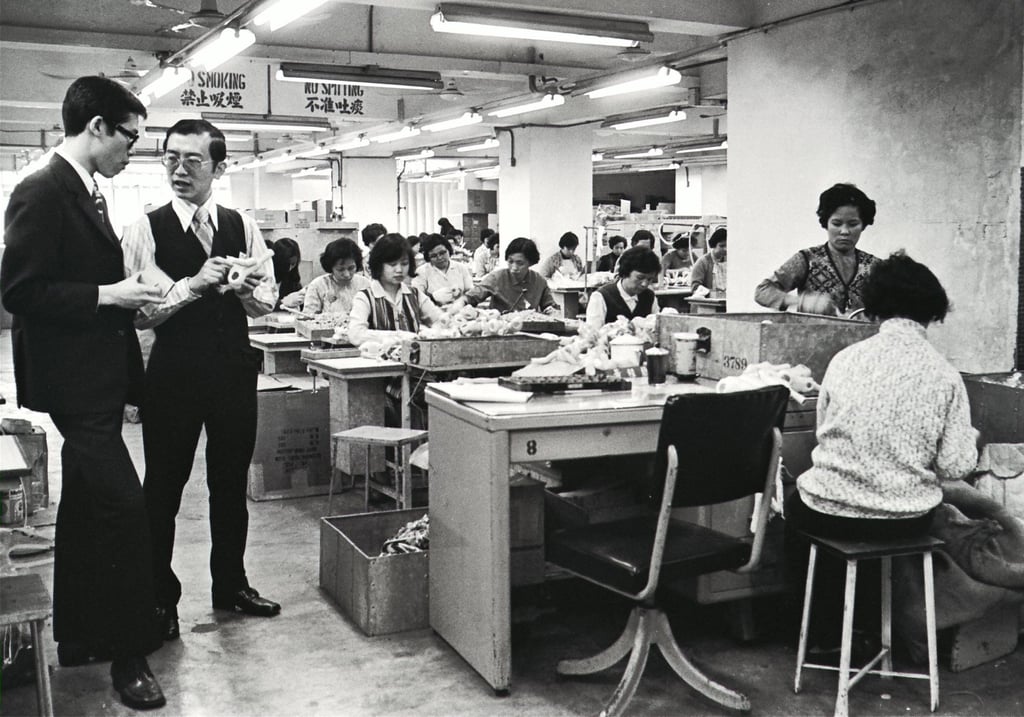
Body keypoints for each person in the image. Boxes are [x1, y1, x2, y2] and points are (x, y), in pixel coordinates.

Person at [0, 76, 167, 709]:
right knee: (126, 512)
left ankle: (77, 636)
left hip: (92, 377)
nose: (133, 149)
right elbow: (19, 292)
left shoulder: (87, 192)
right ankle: (129, 654)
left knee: (86, 513)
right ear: (96, 126)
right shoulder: (42, 191)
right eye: (129, 135)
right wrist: (108, 295)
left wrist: (128, 295)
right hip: (72, 383)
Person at [122, 118, 282, 648]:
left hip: (234, 370)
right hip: (172, 376)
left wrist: (246, 288)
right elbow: (141, 315)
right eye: (170, 157)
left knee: (229, 485)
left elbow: (268, 303)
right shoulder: (146, 228)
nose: (179, 169)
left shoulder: (243, 225)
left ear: (219, 166)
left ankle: (230, 586)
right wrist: (193, 285)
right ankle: (158, 598)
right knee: (162, 490)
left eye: (193, 159)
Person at [784, 251, 978, 653]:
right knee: (886, 520)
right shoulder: (945, 374)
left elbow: (824, 430)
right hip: (902, 521)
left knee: (799, 506)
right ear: (932, 310)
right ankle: (872, 629)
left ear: (873, 308)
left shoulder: (845, 360)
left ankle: (817, 633)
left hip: (826, 510)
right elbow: (955, 465)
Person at [755, 183, 879, 316]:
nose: (844, 231)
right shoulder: (807, 259)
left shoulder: (875, 266)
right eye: (836, 224)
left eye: (853, 224)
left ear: (863, 225)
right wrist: (801, 302)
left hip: (864, 336)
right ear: (826, 223)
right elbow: (762, 291)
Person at [348, 233, 446, 346]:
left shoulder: (415, 295)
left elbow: (440, 320)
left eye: (404, 264)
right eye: (392, 264)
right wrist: (398, 336)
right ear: (379, 264)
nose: (399, 270)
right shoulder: (365, 297)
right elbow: (356, 334)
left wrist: (433, 331)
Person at [464, 237, 559, 314]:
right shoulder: (497, 278)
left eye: (520, 263)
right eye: (510, 262)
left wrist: (551, 312)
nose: (514, 267)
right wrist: (460, 304)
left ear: (530, 263)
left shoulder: (539, 281)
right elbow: (471, 297)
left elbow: (549, 306)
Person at [585, 247, 661, 329]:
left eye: (649, 279)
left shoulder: (649, 296)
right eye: (640, 278)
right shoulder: (601, 297)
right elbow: (592, 334)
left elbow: (656, 328)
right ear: (625, 273)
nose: (644, 284)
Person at [301, 237, 371, 315]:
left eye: (351, 268)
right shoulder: (318, 286)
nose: (347, 274)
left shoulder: (365, 284)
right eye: (340, 269)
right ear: (331, 268)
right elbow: (308, 317)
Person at [412, 234, 475, 306]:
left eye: (442, 253)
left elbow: (471, 293)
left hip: (461, 311)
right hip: (433, 312)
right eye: (434, 256)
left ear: (449, 250)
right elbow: (415, 299)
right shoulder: (422, 272)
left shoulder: (461, 268)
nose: (439, 258)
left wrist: (461, 298)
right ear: (428, 258)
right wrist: (433, 298)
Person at [688, 227, 728, 296]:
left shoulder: (730, 262)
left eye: (727, 245)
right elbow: (695, 287)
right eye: (721, 246)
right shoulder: (703, 262)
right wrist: (711, 294)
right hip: (705, 304)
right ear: (713, 245)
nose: (725, 249)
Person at [267, 237, 303, 310]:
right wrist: (283, 302)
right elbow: (258, 305)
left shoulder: (292, 279)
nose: (289, 269)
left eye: (293, 264)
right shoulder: (264, 276)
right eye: (285, 265)